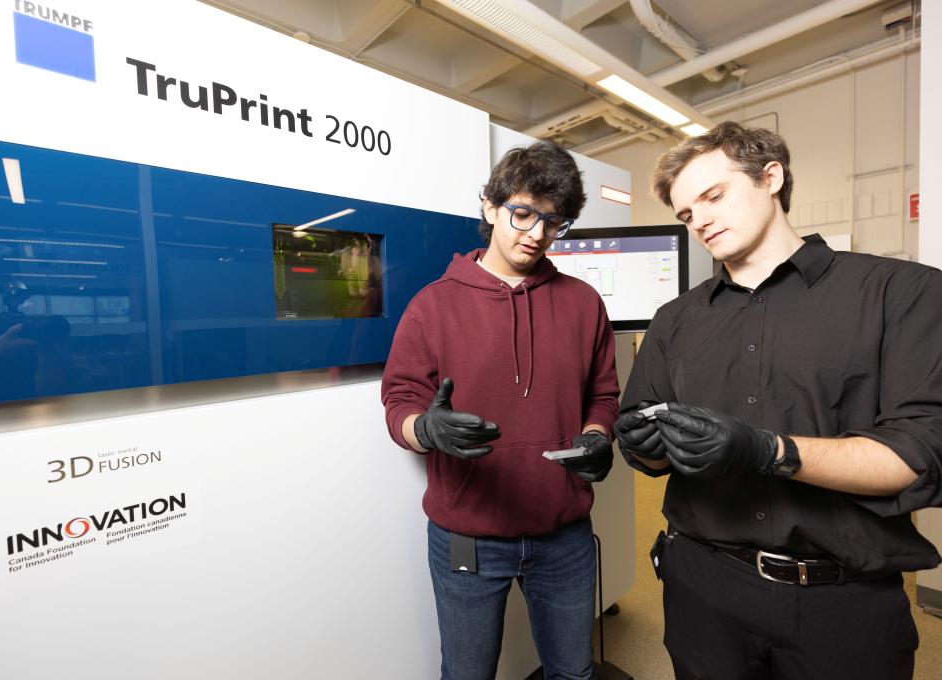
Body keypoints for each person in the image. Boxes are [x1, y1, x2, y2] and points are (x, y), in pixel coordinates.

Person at [615, 121, 942, 680]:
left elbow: (918, 456)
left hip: (840, 601)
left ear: (771, 177)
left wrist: (768, 451)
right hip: (702, 589)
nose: (702, 221)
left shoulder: (902, 292)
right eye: (687, 215)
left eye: (713, 196)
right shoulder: (675, 321)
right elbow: (647, 447)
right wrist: (643, 447)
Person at [382, 141, 620, 680]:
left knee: (573, 673)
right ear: (490, 207)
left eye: (553, 222)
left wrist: (596, 435)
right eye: (523, 213)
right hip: (467, 536)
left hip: (564, 534)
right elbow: (399, 402)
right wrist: (428, 429)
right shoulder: (433, 304)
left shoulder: (584, 303)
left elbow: (603, 395)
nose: (536, 234)